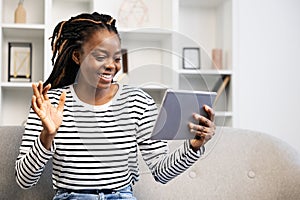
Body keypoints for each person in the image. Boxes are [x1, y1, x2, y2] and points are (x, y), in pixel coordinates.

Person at [15, 12, 216, 200]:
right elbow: (24, 180)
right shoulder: (49, 104)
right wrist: (46, 136)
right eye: (101, 57)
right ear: (77, 56)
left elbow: (161, 173)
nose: (112, 65)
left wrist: (193, 146)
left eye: (117, 58)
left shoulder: (138, 102)